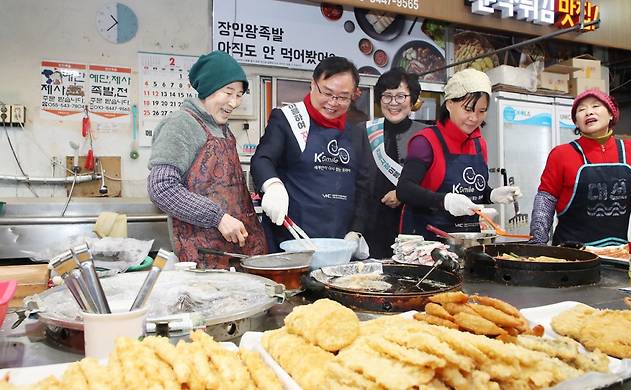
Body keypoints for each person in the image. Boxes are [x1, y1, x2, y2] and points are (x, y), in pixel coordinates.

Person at [147, 51, 267, 268]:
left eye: (239, 95)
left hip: (235, 252)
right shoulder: (181, 125)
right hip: (203, 257)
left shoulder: (223, 130)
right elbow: (161, 188)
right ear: (208, 89)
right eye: (228, 92)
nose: (234, 102)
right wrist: (217, 217)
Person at [250, 56, 364, 250]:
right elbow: (262, 159)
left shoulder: (355, 131)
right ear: (313, 85)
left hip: (339, 242)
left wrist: (356, 230)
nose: (333, 102)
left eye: (343, 97)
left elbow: (364, 186)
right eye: (327, 93)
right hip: (292, 238)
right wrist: (272, 185)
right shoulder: (288, 120)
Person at [397, 68, 521, 239]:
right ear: (449, 104)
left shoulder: (479, 143)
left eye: (482, 111)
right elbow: (404, 190)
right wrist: (445, 201)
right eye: (468, 109)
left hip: (467, 241)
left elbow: (472, 190)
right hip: (428, 242)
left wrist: (491, 194)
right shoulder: (425, 141)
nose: (475, 118)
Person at [529, 88, 631, 247]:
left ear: (611, 114)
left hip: (624, 253)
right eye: (581, 109)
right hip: (574, 255)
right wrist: (538, 243)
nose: (588, 112)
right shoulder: (561, 154)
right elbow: (545, 200)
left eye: (596, 106)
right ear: (576, 121)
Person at [346, 68, 427, 258]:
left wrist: (404, 193)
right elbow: (354, 180)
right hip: (369, 225)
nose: (393, 103)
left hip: (412, 225)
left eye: (401, 96)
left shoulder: (426, 135)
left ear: (412, 99)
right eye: (387, 96)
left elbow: (433, 180)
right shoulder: (363, 131)